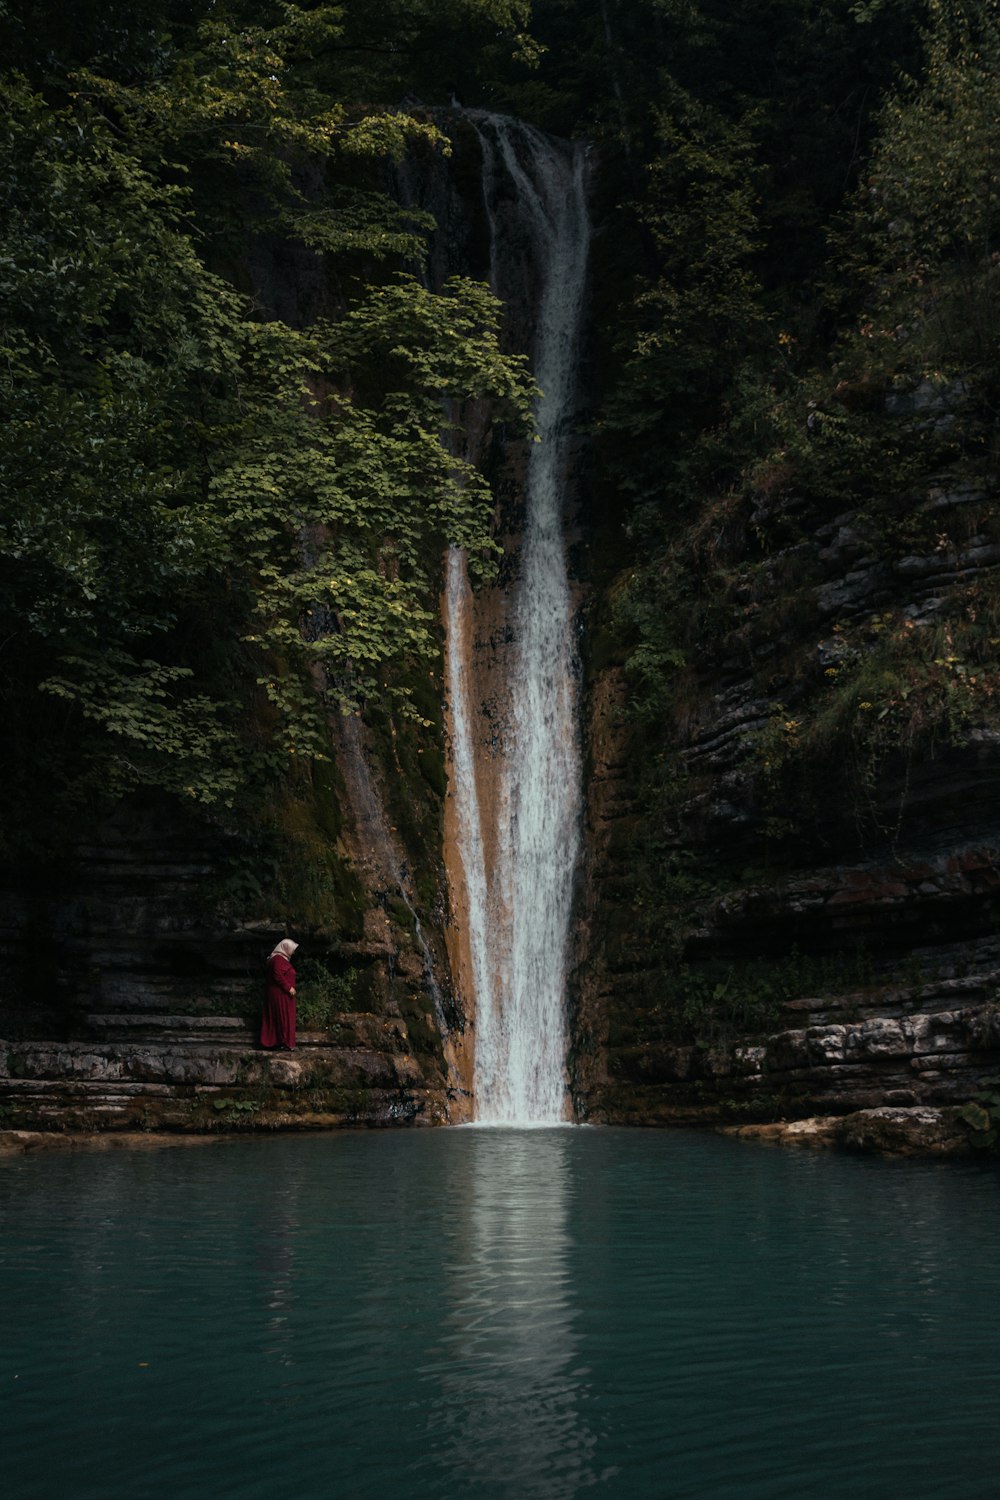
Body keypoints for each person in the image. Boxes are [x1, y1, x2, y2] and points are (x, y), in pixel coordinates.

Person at [261, 938, 298, 1050]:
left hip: (282, 994)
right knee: (282, 1016)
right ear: (285, 948)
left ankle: (283, 1042)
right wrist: (288, 988)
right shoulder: (278, 959)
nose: (293, 951)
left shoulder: (281, 959)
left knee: (284, 1017)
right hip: (280, 994)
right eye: (292, 949)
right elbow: (277, 975)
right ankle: (281, 1042)